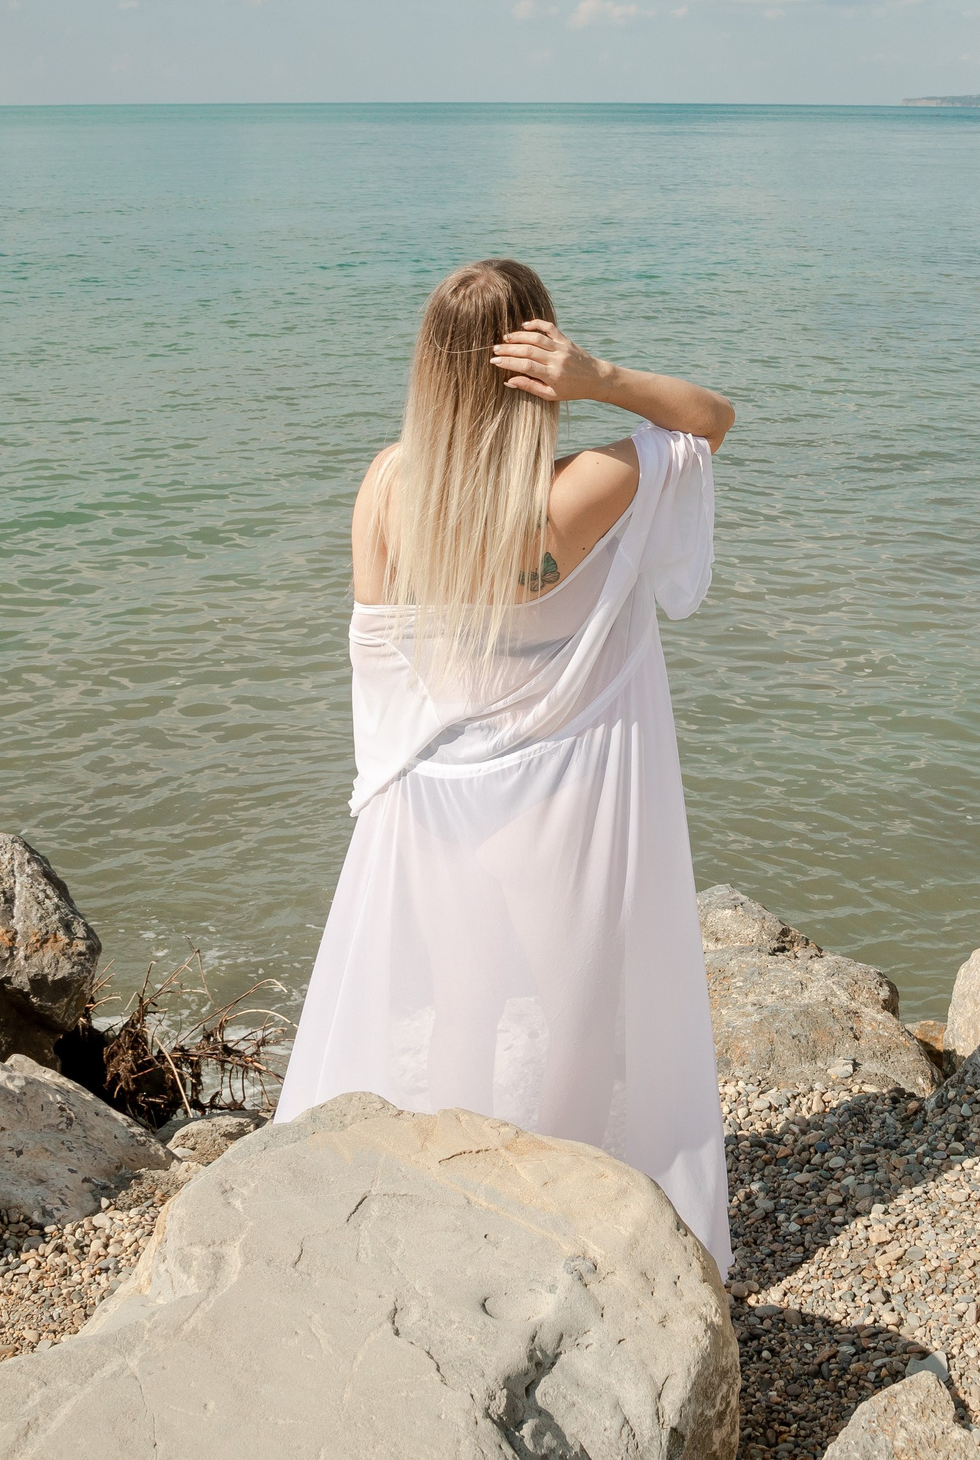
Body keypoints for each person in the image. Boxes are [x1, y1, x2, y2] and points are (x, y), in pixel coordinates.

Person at [272, 257, 740, 1274]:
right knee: (578, 1006)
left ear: (430, 370)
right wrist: (600, 377)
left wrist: (399, 771)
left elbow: (380, 656)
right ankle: (561, 1209)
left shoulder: (387, 487)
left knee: (463, 1002)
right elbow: (710, 420)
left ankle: (452, 1201)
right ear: (540, 361)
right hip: (557, 796)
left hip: (435, 795)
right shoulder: (581, 491)